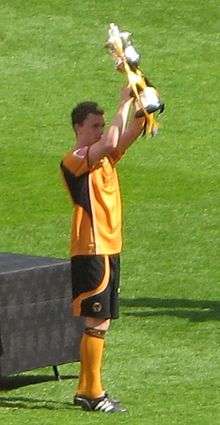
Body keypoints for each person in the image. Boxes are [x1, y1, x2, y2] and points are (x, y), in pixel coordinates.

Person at [60, 85, 145, 413]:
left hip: (108, 247)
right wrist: (123, 102)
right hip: (91, 247)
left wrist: (142, 104)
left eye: (101, 124)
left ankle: (87, 390)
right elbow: (111, 140)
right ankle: (93, 394)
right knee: (96, 322)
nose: (100, 130)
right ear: (79, 127)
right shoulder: (76, 160)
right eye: (95, 125)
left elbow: (127, 136)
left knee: (102, 322)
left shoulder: (103, 158)